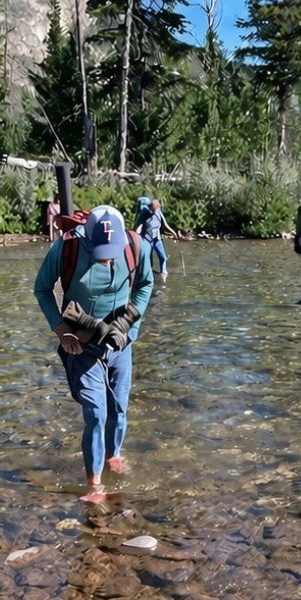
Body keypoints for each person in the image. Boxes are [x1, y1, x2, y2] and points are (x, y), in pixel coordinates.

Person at [34, 204, 154, 503]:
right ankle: (95, 484)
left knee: (119, 410)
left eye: (112, 250)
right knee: (96, 413)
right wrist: (61, 329)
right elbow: (42, 289)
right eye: (102, 251)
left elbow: (145, 286)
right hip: (83, 345)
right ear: (88, 239)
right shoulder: (67, 248)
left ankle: (114, 455)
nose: (108, 257)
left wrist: (127, 324)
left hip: (121, 343)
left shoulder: (136, 247)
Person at [137, 197, 179, 284]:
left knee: (163, 257)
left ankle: (163, 273)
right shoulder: (144, 213)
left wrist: (173, 233)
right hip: (147, 240)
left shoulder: (158, 211)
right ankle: (148, 278)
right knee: (149, 261)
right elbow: (136, 227)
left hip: (157, 238)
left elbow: (165, 224)